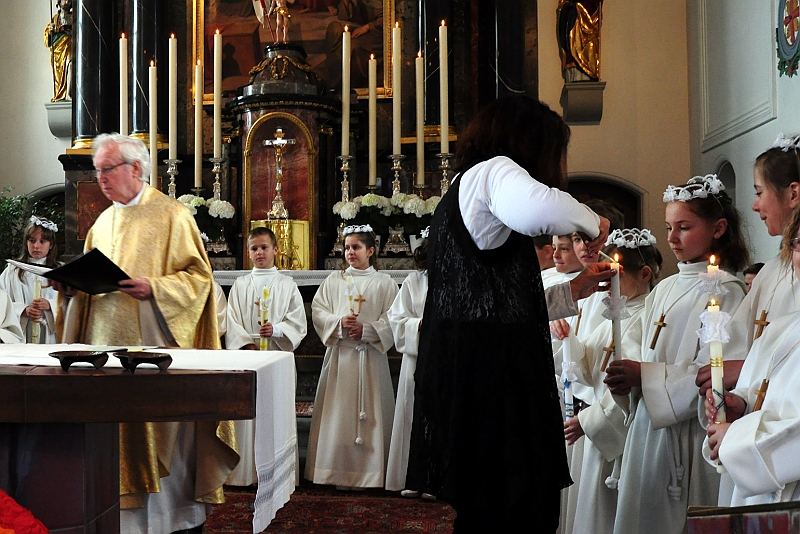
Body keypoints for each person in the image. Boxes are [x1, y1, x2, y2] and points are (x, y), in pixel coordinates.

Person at [405, 96, 615, 533]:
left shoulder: (464, 186)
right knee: (513, 508)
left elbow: (493, 305)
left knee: (485, 509)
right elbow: (541, 212)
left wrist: (571, 292)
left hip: (466, 369)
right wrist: (593, 221)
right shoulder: (493, 171)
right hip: (491, 382)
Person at [58, 133, 232, 534]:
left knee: (157, 436)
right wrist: (70, 288)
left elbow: (199, 280)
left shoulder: (173, 216)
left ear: (135, 168)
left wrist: (156, 288)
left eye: (107, 169)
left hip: (153, 354)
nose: (100, 179)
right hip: (104, 356)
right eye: (97, 171)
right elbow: (91, 284)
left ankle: (169, 522)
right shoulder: (103, 222)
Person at [606, 174, 749, 534]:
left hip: (688, 436)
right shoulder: (664, 288)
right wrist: (628, 381)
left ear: (718, 229)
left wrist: (646, 376)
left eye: (684, 227)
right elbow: (643, 352)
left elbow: (716, 370)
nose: (672, 238)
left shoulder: (727, 290)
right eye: (669, 228)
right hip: (648, 428)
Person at [555, 228, 662, 534]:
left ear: (644, 274)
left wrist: (591, 421)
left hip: (617, 432)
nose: (607, 286)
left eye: (615, 277)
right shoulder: (618, 315)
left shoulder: (646, 317)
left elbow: (634, 386)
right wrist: (570, 340)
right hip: (596, 429)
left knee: (608, 513)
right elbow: (588, 368)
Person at [702, 208, 800, 506]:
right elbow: (758, 388)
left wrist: (736, 439)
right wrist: (740, 405)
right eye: (798, 243)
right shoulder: (780, 328)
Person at [696, 134, 800, 403]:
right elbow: (732, 347)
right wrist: (735, 402)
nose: (755, 205)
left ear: (793, 194)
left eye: (759, 192)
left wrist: (747, 370)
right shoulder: (772, 271)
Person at [305, 224, 398, 490]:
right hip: (341, 357)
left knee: (373, 415)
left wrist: (368, 330)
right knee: (338, 416)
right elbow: (319, 311)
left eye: (356, 247)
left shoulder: (385, 283)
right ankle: (334, 472)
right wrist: (338, 322)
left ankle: (371, 474)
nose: (350, 252)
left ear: (370, 250)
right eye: (346, 248)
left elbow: (393, 317)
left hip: (370, 358)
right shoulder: (334, 281)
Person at [225, 226, 306, 486]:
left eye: (264, 247)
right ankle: (245, 473)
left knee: (276, 415)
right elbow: (231, 320)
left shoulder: (287, 284)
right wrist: (247, 345)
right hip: (247, 360)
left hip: (276, 357)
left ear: (276, 250)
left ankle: (277, 477)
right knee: (247, 416)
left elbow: (298, 322)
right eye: (254, 248)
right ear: (248, 252)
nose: (259, 253)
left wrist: (277, 330)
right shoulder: (240, 285)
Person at [385, 230, 429, 498]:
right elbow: (397, 318)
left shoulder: (461, 277)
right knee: (412, 413)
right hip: (417, 355)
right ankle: (410, 476)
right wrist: (420, 325)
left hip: (448, 357)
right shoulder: (415, 280)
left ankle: (439, 480)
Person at [0, 216, 60, 343]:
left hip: (50, 335)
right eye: (32, 241)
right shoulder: (13, 271)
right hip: (22, 333)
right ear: (26, 242)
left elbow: (70, 304)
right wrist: (22, 310)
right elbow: (2, 301)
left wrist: (50, 305)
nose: (36, 246)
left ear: (51, 244)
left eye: (42, 241)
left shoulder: (60, 272)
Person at [556, 0, 604, 82]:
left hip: (588, 18)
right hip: (575, 20)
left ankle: (589, 71)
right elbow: (563, 5)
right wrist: (571, 6)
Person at [44, 0, 73, 102]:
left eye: (69, 0)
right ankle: (61, 93)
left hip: (70, 45)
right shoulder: (55, 19)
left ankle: (68, 93)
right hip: (59, 51)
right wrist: (50, 32)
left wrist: (72, 32)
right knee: (60, 74)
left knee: (71, 65)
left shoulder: (74, 17)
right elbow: (48, 42)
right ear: (59, 2)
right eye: (64, 0)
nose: (67, 2)